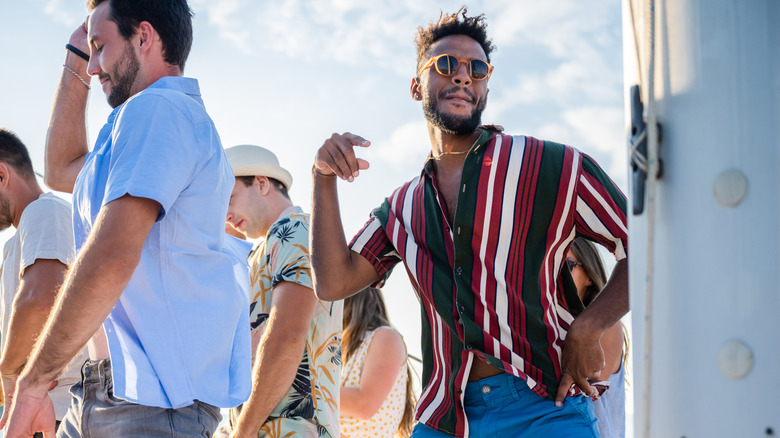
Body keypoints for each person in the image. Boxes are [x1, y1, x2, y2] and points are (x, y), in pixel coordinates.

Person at [310, 7, 628, 437]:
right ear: (415, 86)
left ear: (485, 87)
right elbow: (333, 281)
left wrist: (589, 326)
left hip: (545, 409)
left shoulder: (552, 165)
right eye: (446, 64)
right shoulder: (402, 206)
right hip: (445, 418)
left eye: (477, 69)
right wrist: (322, 178)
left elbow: (644, 242)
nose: (462, 75)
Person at [3, 0, 251, 436]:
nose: (94, 68)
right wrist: (75, 55)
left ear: (144, 36)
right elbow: (61, 168)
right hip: (105, 393)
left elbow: (113, 253)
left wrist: (33, 382)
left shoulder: (159, 111)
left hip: (152, 408)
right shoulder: (139, 124)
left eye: (101, 48)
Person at [223, 145, 342, 437]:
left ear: (262, 182)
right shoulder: (263, 249)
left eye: (228, 197)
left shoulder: (296, 229)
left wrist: (243, 431)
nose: (225, 214)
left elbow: (286, 336)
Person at [0, 129, 88, 435]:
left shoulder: (44, 210)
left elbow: (41, 299)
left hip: (59, 413)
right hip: (43, 414)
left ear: (1, 175)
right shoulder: (18, 239)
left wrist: (8, 371)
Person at [566, 238, 627, 438]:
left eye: (566, 266)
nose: (557, 277)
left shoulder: (606, 327)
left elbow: (580, 392)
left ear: (589, 276)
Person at [340, 287, 416, 438]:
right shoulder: (343, 352)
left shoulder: (385, 337)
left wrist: (302, 387)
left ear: (368, 298)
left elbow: (364, 404)